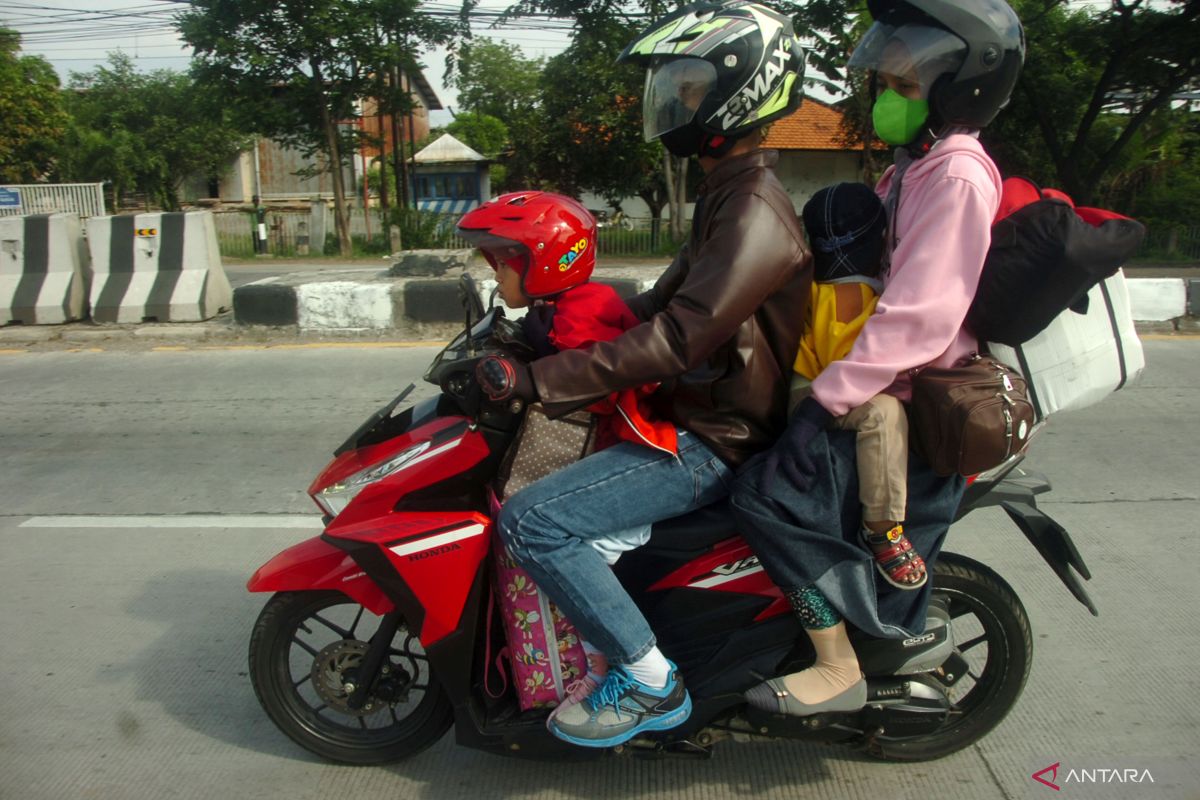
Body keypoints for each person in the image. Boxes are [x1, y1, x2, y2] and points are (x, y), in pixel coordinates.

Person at [473, 0, 813, 748]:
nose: (675, 101)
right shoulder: (728, 197)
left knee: (534, 520)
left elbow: (678, 337)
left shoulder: (755, 211)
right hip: (689, 417)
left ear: (741, 91)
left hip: (711, 440)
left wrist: (539, 383)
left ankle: (650, 680)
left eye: (690, 87)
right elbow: (656, 305)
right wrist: (548, 326)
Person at [732, 0, 1025, 717]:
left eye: (904, 87)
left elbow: (919, 314)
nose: (886, 100)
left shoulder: (955, 173)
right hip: (879, 383)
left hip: (908, 400)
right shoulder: (912, 166)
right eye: (885, 84)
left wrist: (824, 405)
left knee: (761, 497)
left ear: (963, 86)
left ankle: (836, 665)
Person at [788, 182, 925, 591]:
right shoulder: (849, 289)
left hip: (821, 385)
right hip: (810, 392)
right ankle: (882, 528)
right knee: (884, 414)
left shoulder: (824, 277)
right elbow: (845, 369)